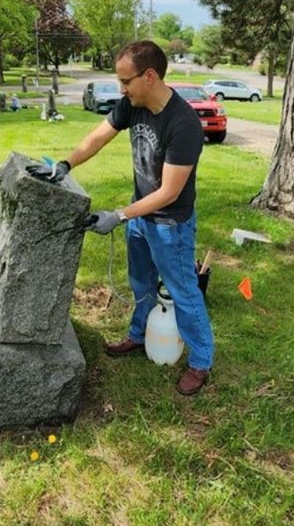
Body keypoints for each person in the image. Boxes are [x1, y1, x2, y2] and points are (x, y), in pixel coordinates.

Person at [27, 40, 214, 395]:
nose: (121, 88)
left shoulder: (183, 123)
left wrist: (118, 215)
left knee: (184, 292)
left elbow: (169, 192)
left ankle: (201, 362)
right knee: (141, 283)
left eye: (125, 81)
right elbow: (99, 135)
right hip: (140, 215)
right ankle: (137, 336)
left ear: (149, 76)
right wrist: (66, 164)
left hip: (170, 224)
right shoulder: (133, 104)